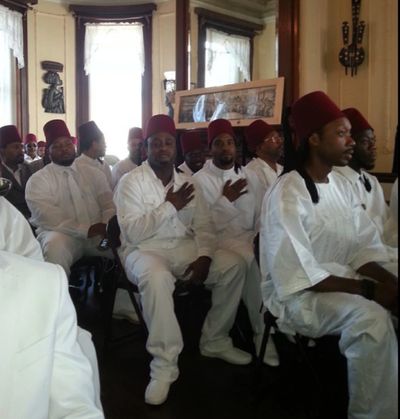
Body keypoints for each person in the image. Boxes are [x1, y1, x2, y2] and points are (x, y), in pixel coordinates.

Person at [259, 91, 398, 419]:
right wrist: (370, 290)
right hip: (299, 297)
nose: (351, 141)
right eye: (341, 133)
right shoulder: (288, 192)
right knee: (371, 320)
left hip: (343, 279)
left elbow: (362, 247)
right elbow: (298, 272)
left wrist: (390, 282)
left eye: (350, 133)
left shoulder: (341, 185)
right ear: (314, 139)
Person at [114, 114, 250, 405]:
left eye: (167, 142)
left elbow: (204, 227)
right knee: (157, 277)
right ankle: (164, 365)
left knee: (234, 264)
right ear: (145, 148)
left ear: (174, 147)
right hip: (143, 251)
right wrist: (169, 206)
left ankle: (215, 340)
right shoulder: (130, 182)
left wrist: (204, 256)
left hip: (183, 247)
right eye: (155, 143)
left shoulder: (188, 182)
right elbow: (133, 232)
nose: (162, 148)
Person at [194, 118, 279, 366]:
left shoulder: (248, 175)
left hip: (248, 238)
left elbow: (260, 214)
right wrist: (226, 200)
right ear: (210, 149)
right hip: (218, 243)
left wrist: (261, 238)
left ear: (236, 146)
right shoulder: (199, 180)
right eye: (219, 143)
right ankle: (262, 333)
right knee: (252, 262)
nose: (225, 148)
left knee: (271, 254)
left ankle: (283, 322)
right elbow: (203, 225)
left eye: (229, 142)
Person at [0, 251, 104, 419]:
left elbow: (76, 408)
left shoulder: (43, 281)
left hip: (102, 243)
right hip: (66, 236)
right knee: (57, 247)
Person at [25, 119, 115, 277]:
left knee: (128, 245)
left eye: (67, 144)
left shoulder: (93, 173)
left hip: (98, 234)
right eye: (57, 146)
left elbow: (108, 205)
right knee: (55, 247)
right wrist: (86, 230)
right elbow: (49, 218)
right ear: (48, 151)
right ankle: (57, 292)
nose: (64, 149)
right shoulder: (38, 180)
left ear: (74, 146)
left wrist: (106, 226)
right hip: (64, 235)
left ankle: (120, 293)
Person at [334, 107, 392, 243]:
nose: (373, 147)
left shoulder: (372, 181)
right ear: (348, 144)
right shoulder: (334, 182)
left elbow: (388, 226)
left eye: (374, 141)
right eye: (365, 142)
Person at [0, 125, 32, 218]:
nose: (21, 151)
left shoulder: (27, 168)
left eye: (21, 147)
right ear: (2, 151)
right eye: (16, 147)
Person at [244, 119, 284, 194]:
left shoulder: (281, 169)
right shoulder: (251, 172)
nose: (280, 141)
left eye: (278, 137)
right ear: (259, 147)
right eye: (274, 138)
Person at [75, 121, 113, 188]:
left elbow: (110, 189)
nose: (105, 146)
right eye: (103, 143)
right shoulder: (75, 166)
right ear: (94, 144)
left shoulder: (104, 166)